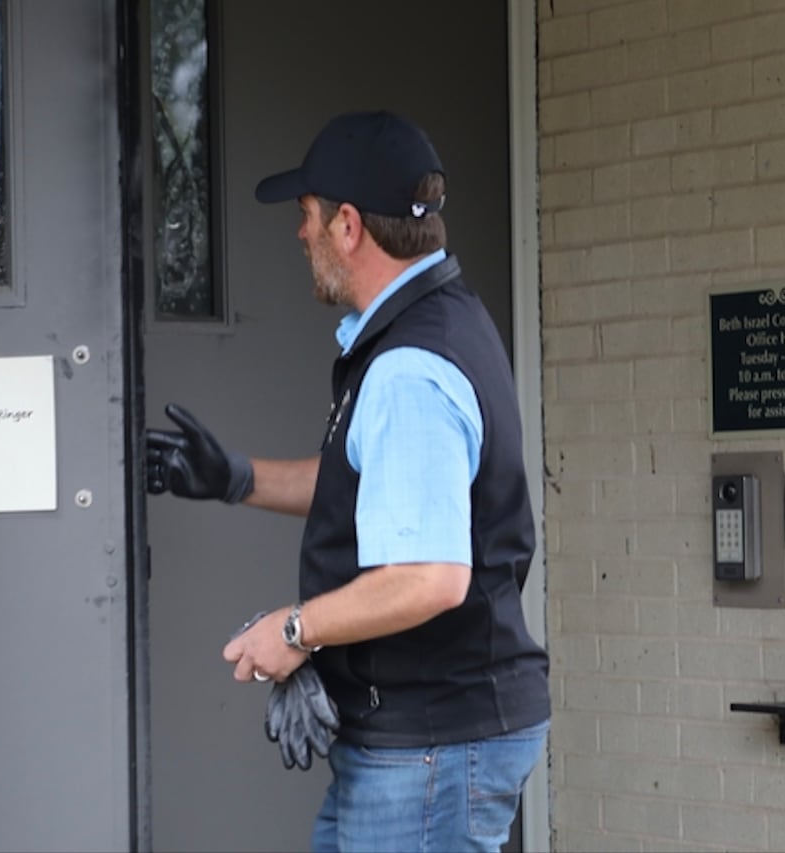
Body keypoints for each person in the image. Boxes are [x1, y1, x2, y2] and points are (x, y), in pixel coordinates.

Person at [146, 110, 550, 853]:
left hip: (429, 747)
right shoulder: (437, 323)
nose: (301, 233)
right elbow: (375, 490)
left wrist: (296, 629)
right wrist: (235, 478)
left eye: (307, 216)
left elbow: (430, 576)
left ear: (350, 227)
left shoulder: (409, 369)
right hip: (418, 741)